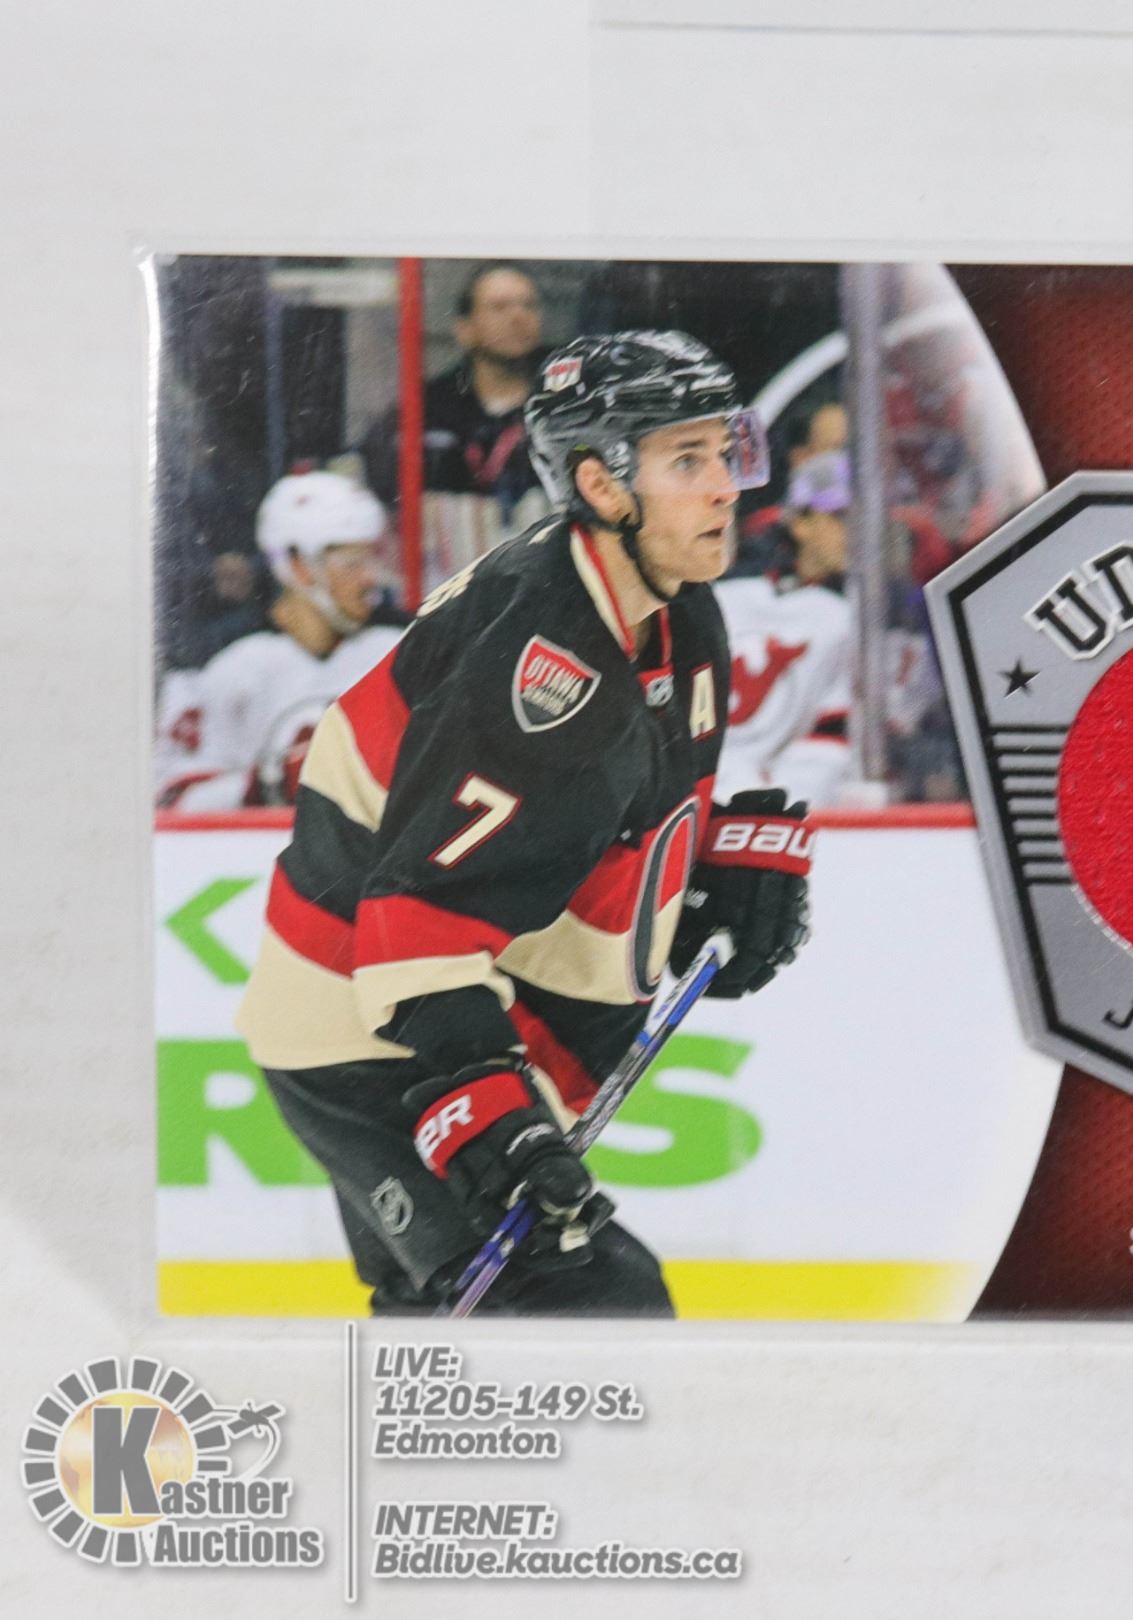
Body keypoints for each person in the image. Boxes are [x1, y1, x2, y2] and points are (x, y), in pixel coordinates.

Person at [235, 331, 813, 1317]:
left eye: (728, 452)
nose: (727, 487)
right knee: (587, 1305)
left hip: (453, 1008)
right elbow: (415, 925)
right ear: (600, 483)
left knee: (444, 1319)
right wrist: (488, 1110)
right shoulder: (539, 661)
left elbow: (586, 822)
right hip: (365, 1030)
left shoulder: (675, 611)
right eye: (688, 460)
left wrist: (697, 874)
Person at [154, 473, 403, 810]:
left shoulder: (400, 649)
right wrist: (269, 783)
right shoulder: (229, 666)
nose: (370, 578)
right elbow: (172, 800)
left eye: (373, 560)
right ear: (299, 566)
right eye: (352, 564)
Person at [714, 449, 854, 805]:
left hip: (798, 801)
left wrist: (773, 801)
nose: (856, 532)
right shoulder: (727, 594)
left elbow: (831, 743)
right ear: (800, 523)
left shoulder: (868, 615)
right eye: (841, 517)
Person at [360, 262, 550, 523]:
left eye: (529, 306)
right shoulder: (429, 406)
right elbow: (380, 487)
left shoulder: (561, 402)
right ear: (464, 329)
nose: (518, 317)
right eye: (499, 307)